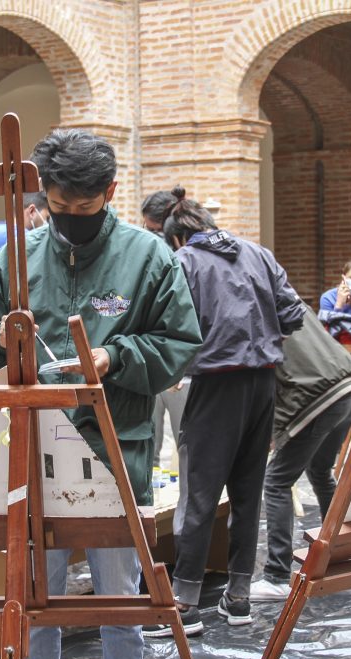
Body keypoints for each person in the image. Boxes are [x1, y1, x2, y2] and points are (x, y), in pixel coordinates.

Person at [0, 129, 202, 659]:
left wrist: (115, 357)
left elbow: (180, 344)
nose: (71, 217)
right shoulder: (18, 258)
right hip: (31, 455)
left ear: (110, 192)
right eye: (59, 206)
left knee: (120, 602)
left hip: (114, 452)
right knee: (35, 603)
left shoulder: (148, 257)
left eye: (85, 207)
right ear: (42, 197)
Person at [143, 187, 303, 637]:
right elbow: (293, 315)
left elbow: (167, 326)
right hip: (263, 385)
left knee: (199, 494)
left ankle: (185, 605)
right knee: (247, 493)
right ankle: (238, 598)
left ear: (176, 237)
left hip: (215, 387)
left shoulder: (184, 262)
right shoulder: (258, 253)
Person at [248, 301, 351, 602]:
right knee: (320, 471)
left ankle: (276, 575)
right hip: (348, 387)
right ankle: (337, 553)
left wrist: (270, 431)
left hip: (317, 397)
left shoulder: (251, 307)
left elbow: (261, 372)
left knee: (276, 481)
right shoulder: (286, 296)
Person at [140, 189, 189, 523]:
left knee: (186, 443)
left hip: (181, 367)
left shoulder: (184, 260)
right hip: (154, 360)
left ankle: (183, 519)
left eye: (153, 230)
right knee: (151, 436)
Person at [318, 259, 351, 345]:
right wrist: (339, 304)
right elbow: (329, 331)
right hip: (336, 345)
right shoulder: (328, 298)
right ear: (344, 278)